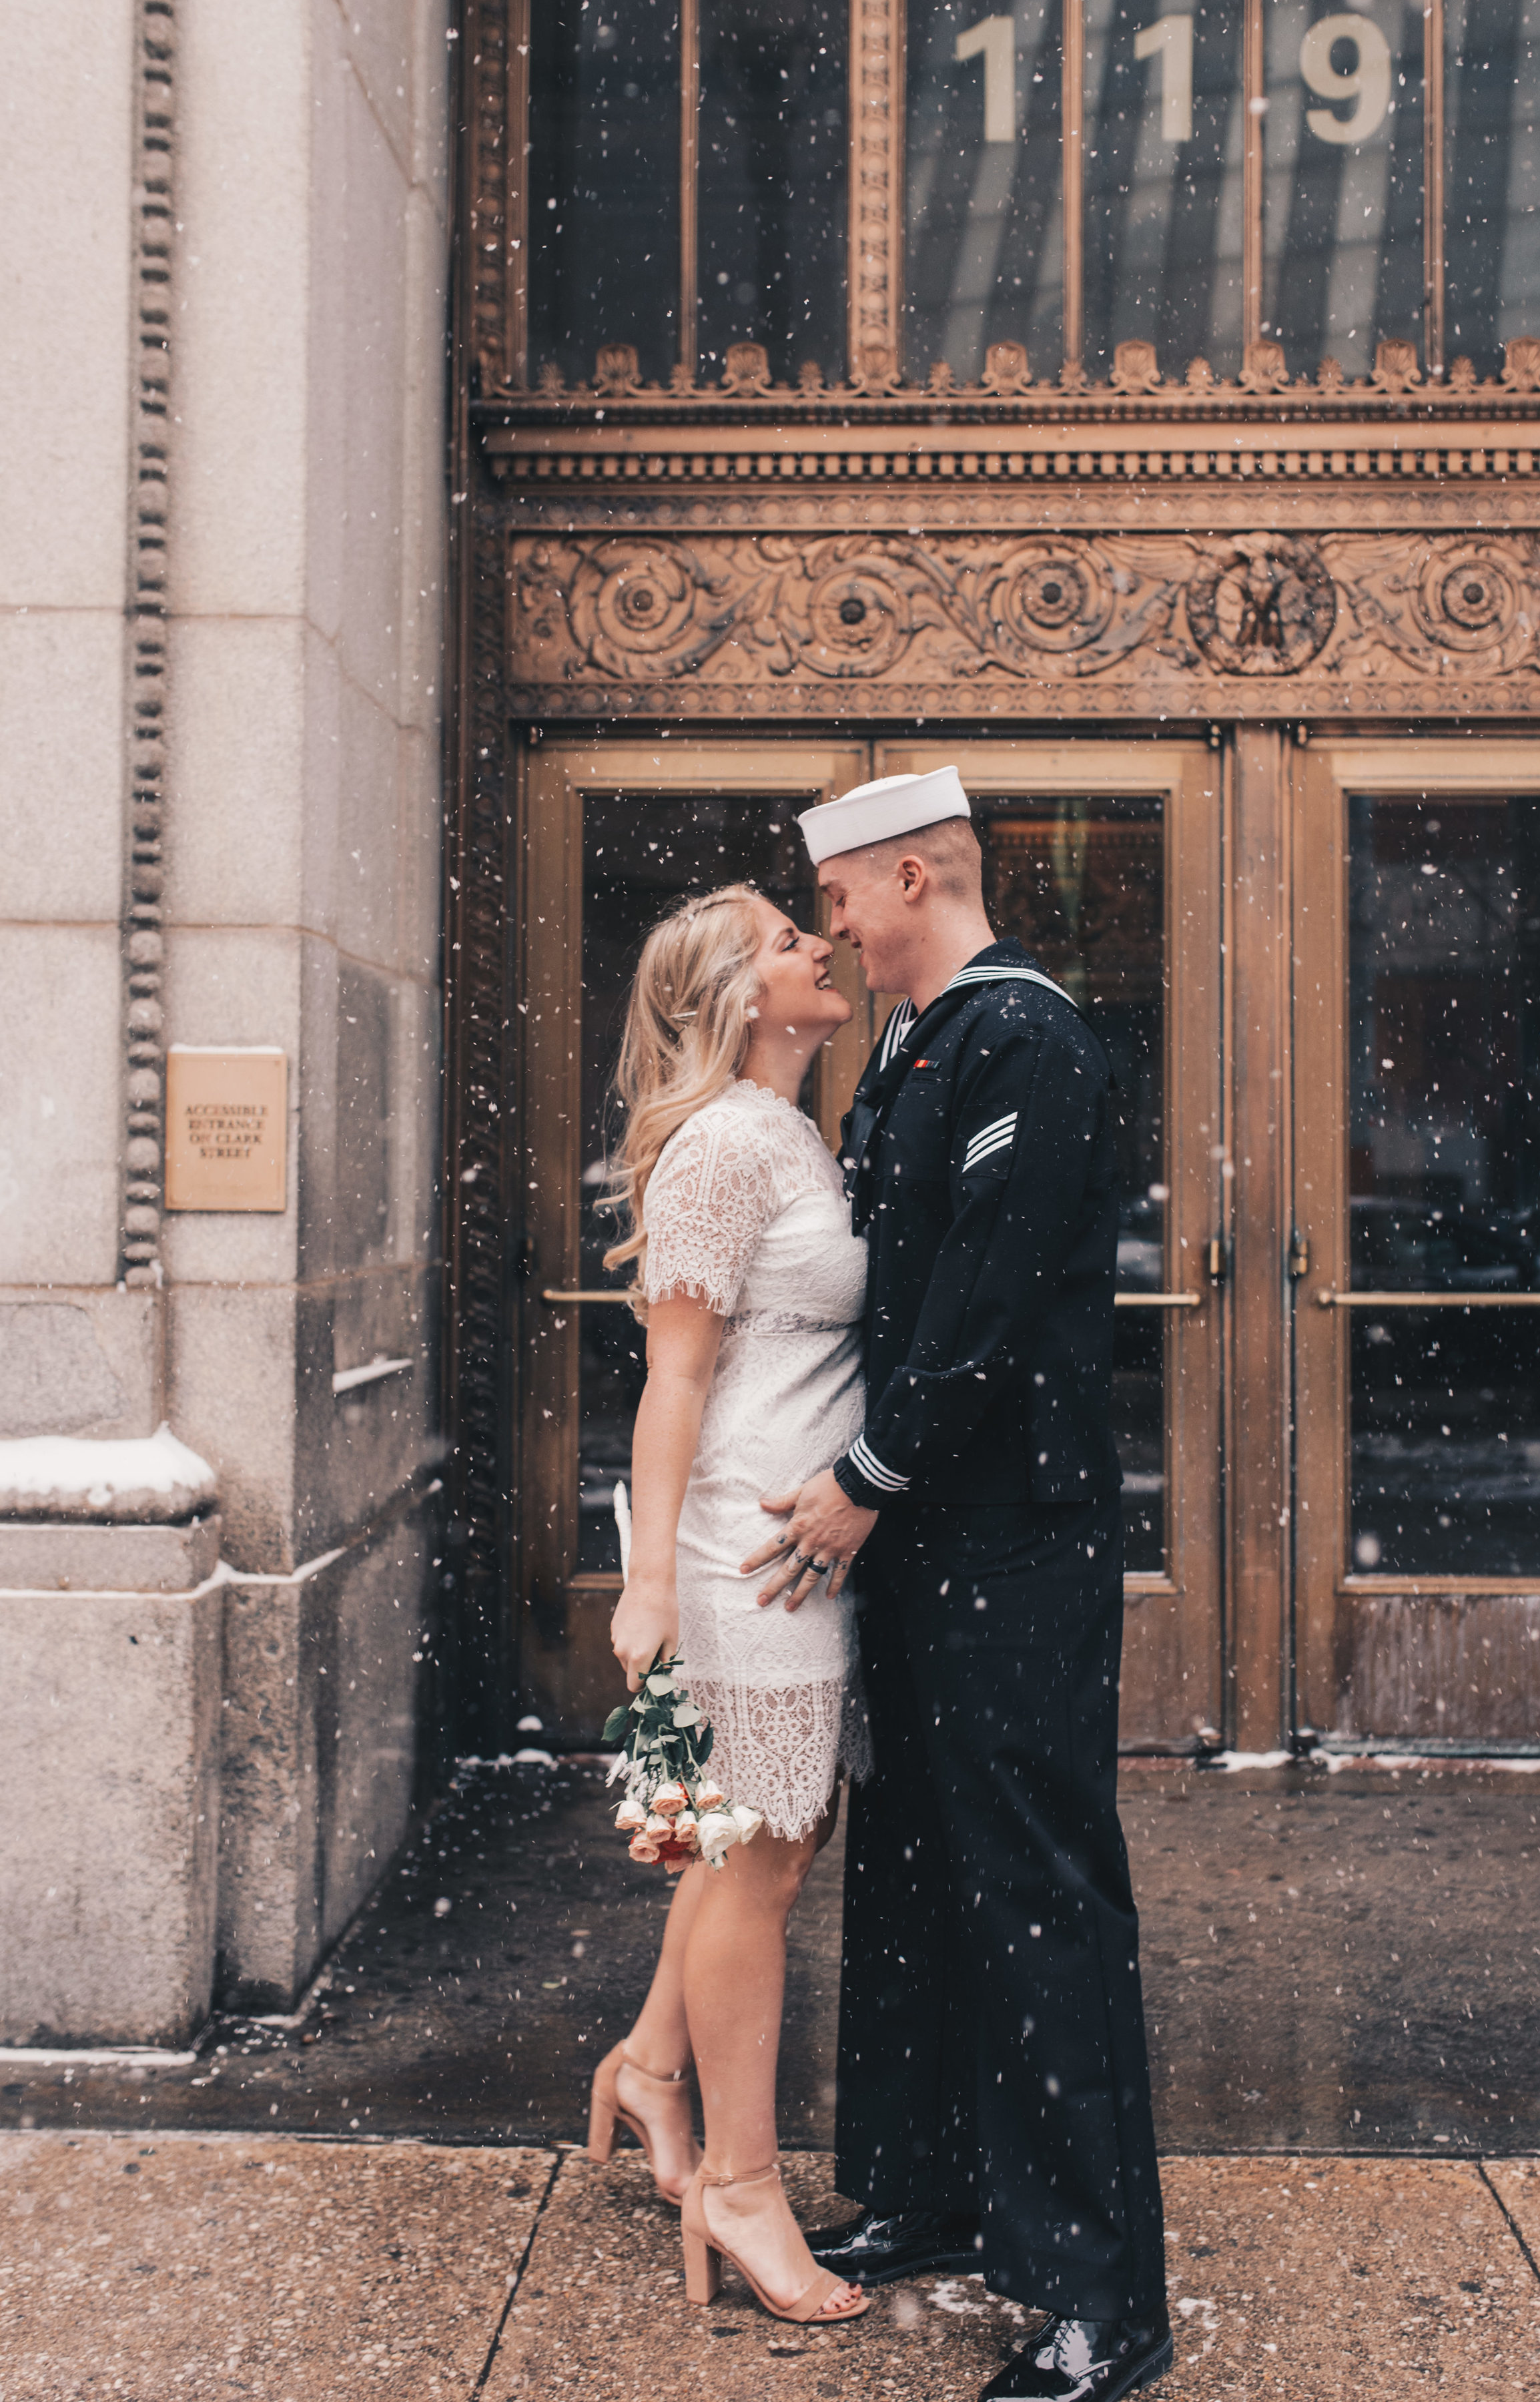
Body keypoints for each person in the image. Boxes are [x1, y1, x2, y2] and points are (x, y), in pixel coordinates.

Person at [740, 767, 1172, 2401]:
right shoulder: (918, 1049)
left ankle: (1099, 2301)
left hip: (1005, 1536)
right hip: (930, 1539)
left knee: (1039, 1899)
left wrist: (865, 1479)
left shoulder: (1025, 1038)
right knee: (917, 1877)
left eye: (842, 893)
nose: (834, 925)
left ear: (914, 874)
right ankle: (924, 2194)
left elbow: (980, 1308)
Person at [589, 881, 871, 2329]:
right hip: (748, 1559)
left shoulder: (790, 1135)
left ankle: (647, 2069)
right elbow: (674, 1375)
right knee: (758, 1854)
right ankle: (741, 2184)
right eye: (783, 938)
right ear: (742, 999)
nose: (814, 943)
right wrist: (648, 1590)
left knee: (761, 1839)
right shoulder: (719, 1146)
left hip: (799, 1547)